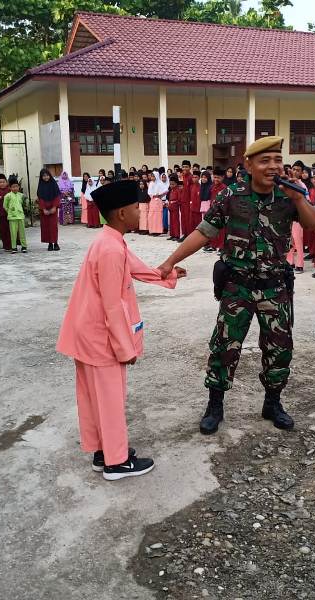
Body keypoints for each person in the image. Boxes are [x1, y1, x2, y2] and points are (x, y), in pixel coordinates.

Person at [156, 136, 315, 435]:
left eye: (277, 160)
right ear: (248, 165)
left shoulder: (289, 196)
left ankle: (272, 402)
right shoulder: (230, 195)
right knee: (224, 345)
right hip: (238, 287)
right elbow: (204, 232)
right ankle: (215, 404)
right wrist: (170, 261)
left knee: (279, 347)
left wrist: (299, 198)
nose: (273, 166)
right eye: (265, 161)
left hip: (275, 287)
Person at [55, 179, 186, 480]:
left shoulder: (109, 241)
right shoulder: (111, 250)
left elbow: (138, 269)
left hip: (86, 334)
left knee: (96, 397)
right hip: (100, 339)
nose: (141, 212)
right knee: (111, 399)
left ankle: (103, 452)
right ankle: (116, 462)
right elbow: (112, 306)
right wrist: (125, 348)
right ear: (121, 214)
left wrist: (168, 273)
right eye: (136, 207)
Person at [37, 168, 61, 251]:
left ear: (49, 176)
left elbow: (57, 196)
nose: (46, 177)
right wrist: (43, 209)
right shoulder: (40, 186)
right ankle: (50, 244)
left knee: (53, 226)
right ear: (41, 177)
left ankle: (56, 243)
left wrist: (54, 207)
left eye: (47, 175)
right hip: (44, 211)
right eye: (43, 176)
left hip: (53, 209)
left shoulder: (54, 184)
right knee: (46, 227)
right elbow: (40, 198)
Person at [4, 176, 28, 253]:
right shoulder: (7, 196)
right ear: (10, 187)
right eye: (13, 187)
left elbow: (24, 204)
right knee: (13, 233)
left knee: (22, 232)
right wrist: (10, 212)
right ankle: (14, 247)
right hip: (12, 217)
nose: (15, 188)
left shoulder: (21, 195)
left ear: (19, 187)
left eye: (16, 186)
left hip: (20, 216)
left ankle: (24, 246)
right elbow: (5, 206)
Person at [148, 169, 167, 236]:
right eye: (151, 176)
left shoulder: (160, 183)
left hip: (158, 201)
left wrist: (160, 196)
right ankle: (152, 230)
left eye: (153, 176)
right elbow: (149, 193)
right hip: (152, 201)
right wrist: (153, 195)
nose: (152, 178)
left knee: (158, 216)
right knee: (151, 216)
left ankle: (158, 231)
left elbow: (166, 191)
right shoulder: (151, 183)